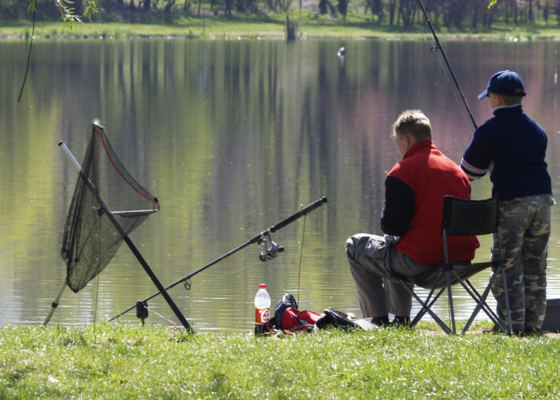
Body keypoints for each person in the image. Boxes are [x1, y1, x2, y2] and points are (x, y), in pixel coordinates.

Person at [346, 110, 480, 326]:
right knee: (393, 247)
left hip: (424, 265)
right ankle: (400, 320)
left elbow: (392, 226)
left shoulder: (403, 171)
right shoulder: (458, 172)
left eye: (398, 142)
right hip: (461, 263)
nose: (398, 148)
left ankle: (377, 320)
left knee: (356, 245)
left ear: (405, 139)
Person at [461, 70, 554, 335]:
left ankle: (510, 326)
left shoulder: (490, 129)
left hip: (513, 203)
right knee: (535, 265)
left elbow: (469, 172)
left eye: (489, 96)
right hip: (544, 202)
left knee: (506, 266)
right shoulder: (537, 129)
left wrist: (483, 145)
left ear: (496, 98)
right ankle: (532, 326)